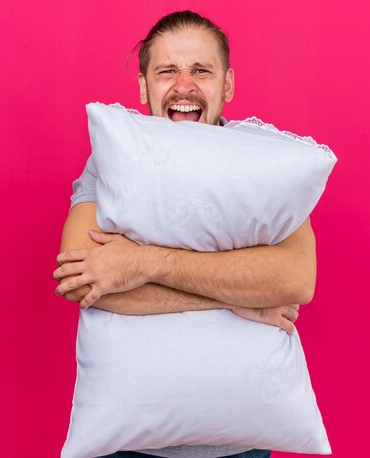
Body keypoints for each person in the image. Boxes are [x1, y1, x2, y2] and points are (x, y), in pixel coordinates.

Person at [53, 10, 316, 458]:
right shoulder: (111, 164)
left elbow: (294, 280)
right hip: (128, 445)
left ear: (227, 85)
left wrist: (143, 264)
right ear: (143, 87)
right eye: (167, 71)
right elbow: (80, 279)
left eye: (201, 70)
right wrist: (239, 298)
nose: (184, 86)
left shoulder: (261, 164)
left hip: (241, 444)